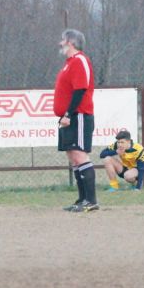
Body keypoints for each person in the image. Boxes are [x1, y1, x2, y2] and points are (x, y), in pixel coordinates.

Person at [54, 29, 98, 212]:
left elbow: (80, 90)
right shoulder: (69, 63)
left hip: (78, 115)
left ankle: (91, 200)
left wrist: (68, 114)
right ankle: (82, 199)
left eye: (63, 40)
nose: (60, 43)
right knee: (73, 157)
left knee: (80, 155)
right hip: (70, 117)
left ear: (71, 42)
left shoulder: (80, 60)